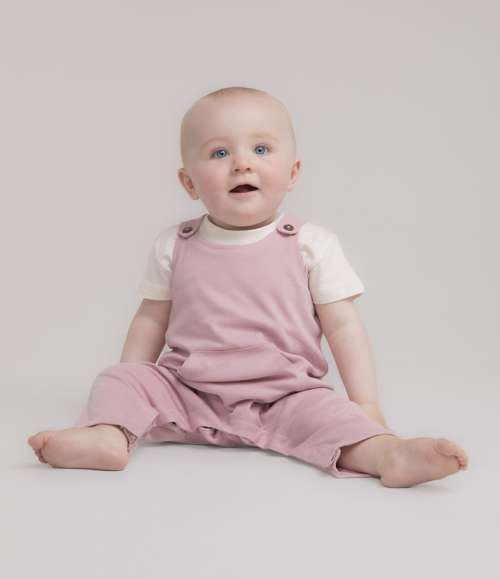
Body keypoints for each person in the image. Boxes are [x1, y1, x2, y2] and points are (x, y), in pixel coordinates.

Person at [27, 86, 469, 487]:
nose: (242, 163)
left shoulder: (310, 245)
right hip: (189, 391)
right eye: (219, 153)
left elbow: (343, 328)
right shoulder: (174, 245)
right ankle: (109, 434)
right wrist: (133, 387)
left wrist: (366, 405)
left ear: (292, 173)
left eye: (261, 149)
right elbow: (150, 321)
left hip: (285, 395)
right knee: (119, 377)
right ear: (189, 182)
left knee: (332, 416)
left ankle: (388, 454)